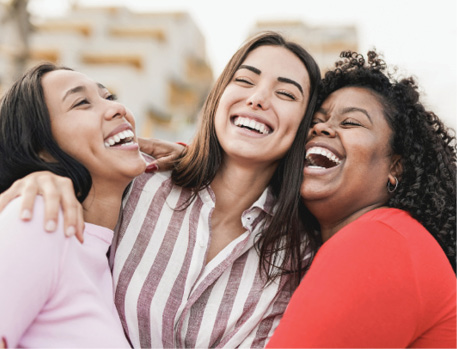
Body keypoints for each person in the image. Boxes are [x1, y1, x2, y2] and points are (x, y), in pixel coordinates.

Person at [0, 32, 322, 348]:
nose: (258, 98)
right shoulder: (131, 188)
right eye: (245, 81)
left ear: (306, 125)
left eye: (287, 94)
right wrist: (33, 180)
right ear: (218, 95)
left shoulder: (300, 252)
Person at [267, 51, 456, 348]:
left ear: (395, 168)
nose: (321, 128)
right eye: (315, 121)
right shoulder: (388, 236)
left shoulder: (378, 241)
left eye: (351, 123)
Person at [0, 63, 150, 347]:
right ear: (41, 150)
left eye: (108, 97)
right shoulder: (37, 218)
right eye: (82, 102)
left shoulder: (104, 252)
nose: (117, 109)